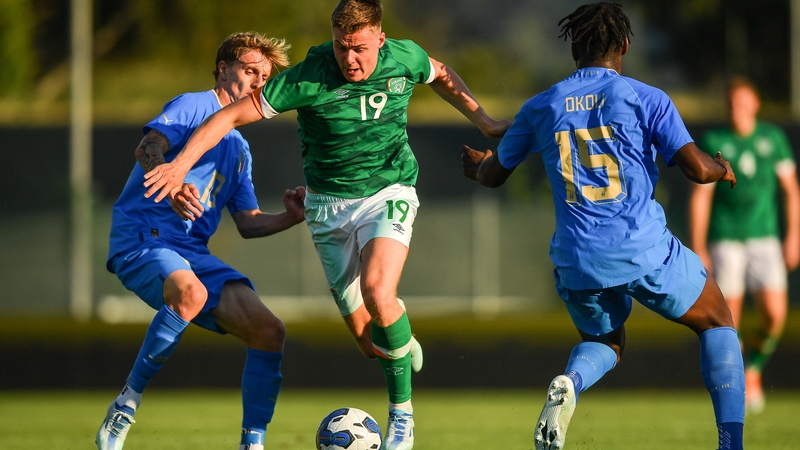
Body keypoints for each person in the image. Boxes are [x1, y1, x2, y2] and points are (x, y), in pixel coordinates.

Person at [140, 1, 510, 448]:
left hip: (388, 191)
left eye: (358, 49)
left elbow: (442, 73)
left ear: (380, 38)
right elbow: (229, 116)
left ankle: (402, 418)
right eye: (340, 47)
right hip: (328, 208)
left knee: (378, 290)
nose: (349, 59)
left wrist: (485, 121)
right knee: (369, 342)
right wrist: (179, 165)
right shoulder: (310, 74)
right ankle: (400, 335)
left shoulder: (404, 56)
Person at [461, 3, 746, 450]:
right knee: (717, 320)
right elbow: (696, 170)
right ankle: (732, 444)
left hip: (576, 258)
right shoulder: (645, 97)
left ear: (574, 47)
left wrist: (477, 167)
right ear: (625, 46)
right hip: (640, 247)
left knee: (606, 343)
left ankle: (570, 382)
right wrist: (721, 167)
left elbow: (494, 175)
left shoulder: (542, 105)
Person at [95, 32, 305, 450]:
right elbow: (148, 146)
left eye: (264, 77)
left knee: (269, 331)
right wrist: (170, 182)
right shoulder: (195, 105)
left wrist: (289, 218)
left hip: (191, 254)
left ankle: (253, 443)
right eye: (250, 71)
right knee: (189, 293)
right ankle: (125, 406)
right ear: (223, 68)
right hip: (143, 237)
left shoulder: (240, 147)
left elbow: (247, 223)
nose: (258, 84)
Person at [689, 77, 800, 414]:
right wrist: (698, 245)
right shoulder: (715, 140)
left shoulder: (773, 138)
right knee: (728, 322)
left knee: (775, 314)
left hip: (765, 239)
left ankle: (752, 367)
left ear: (755, 104)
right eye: (731, 103)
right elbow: (701, 198)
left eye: (742, 102)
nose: (736, 108)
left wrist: (794, 235)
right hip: (726, 241)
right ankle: (734, 389)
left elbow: (791, 190)